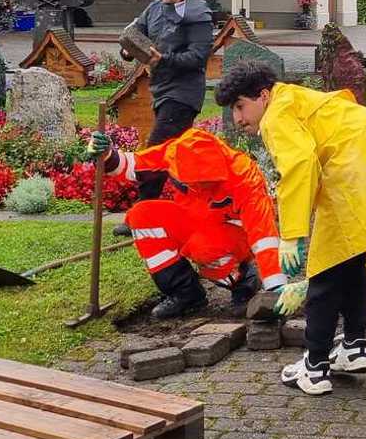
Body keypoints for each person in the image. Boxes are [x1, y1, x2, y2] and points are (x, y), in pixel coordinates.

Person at [216, 60, 366, 397]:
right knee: (351, 264)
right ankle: (353, 347)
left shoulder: (276, 115)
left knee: (322, 273)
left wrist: (291, 236)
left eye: (239, 106)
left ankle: (315, 366)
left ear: (262, 96)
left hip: (352, 174)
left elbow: (300, 165)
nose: (237, 119)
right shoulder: (293, 99)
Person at [86, 127, 290, 319]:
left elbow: (263, 235)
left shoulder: (244, 178)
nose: (195, 186)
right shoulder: (177, 151)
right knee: (141, 215)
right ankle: (186, 293)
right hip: (194, 219)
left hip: (234, 234)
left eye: (200, 182)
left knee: (203, 247)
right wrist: (107, 155)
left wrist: (276, 287)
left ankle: (243, 280)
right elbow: (135, 165)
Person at [125, 0, 214, 201]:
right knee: (177, 153)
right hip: (161, 91)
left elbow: (198, 57)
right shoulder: (153, 8)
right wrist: (128, 49)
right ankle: (194, 202)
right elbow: (136, 33)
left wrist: (163, 60)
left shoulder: (199, 13)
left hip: (184, 94)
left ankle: (144, 209)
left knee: (155, 150)